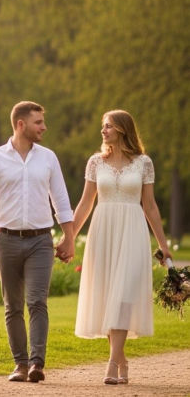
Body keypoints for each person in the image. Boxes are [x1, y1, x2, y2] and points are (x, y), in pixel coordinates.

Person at [0, 100, 76, 383]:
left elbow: (61, 201)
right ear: (21, 125)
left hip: (40, 242)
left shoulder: (48, 158)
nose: (44, 127)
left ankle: (36, 364)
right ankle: (20, 364)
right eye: (38, 122)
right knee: (13, 306)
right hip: (6, 241)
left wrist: (69, 238)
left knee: (37, 302)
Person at [71, 109, 172, 386]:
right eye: (103, 126)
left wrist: (164, 245)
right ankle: (122, 359)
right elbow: (85, 203)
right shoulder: (95, 162)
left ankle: (112, 362)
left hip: (132, 231)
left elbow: (150, 206)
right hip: (102, 230)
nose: (103, 131)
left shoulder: (143, 163)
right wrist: (68, 237)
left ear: (123, 130)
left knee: (123, 294)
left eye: (108, 126)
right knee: (107, 295)